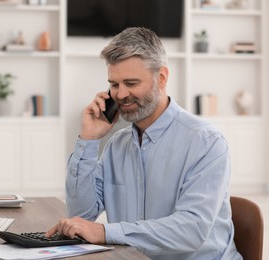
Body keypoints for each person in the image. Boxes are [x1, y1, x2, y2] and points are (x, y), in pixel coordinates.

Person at [45, 27, 242, 259]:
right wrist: (88, 139)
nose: (120, 95)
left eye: (131, 83)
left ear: (161, 78)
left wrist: (105, 232)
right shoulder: (117, 146)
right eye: (114, 84)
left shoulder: (206, 142)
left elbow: (192, 230)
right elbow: (81, 215)